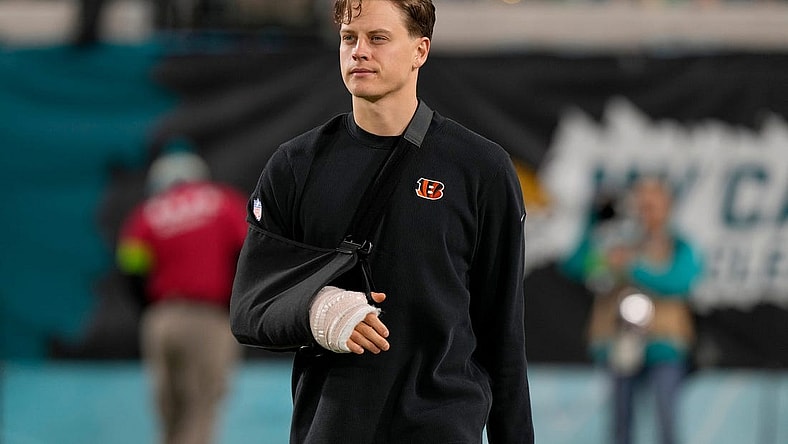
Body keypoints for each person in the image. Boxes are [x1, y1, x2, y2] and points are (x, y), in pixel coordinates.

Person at [230, 0, 534, 442]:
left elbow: (503, 337)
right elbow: (250, 307)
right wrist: (321, 309)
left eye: (378, 38)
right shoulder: (295, 166)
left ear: (420, 51)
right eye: (348, 38)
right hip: (330, 429)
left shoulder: (481, 169)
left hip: (441, 429)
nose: (358, 51)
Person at [116, 146, 248, 444]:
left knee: (169, 414)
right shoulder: (223, 203)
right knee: (200, 410)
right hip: (208, 319)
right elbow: (247, 253)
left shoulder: (146, 215)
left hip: (162, 319)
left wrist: (151, 310)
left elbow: (130, 270)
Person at [560, 176, 704, 444]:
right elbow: (576, 266)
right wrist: (594, 221)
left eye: (653, 205)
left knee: (667, 421)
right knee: (620, 424)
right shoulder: (615, 243)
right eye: (641, 204)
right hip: (620, 347)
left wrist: (631, 267)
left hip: (665, 346)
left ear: (667, 207)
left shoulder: (679, 246)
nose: (645, 212)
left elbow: (679, 280)